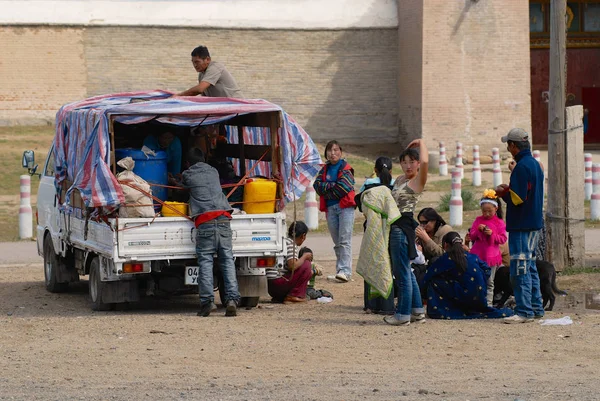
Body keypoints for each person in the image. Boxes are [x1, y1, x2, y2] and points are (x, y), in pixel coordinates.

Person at [182, 148, 240, 317]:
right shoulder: (213, 171)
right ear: (204, 159)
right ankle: (231, 300)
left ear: (187, 163)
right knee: (227, 260)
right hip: (223, 218)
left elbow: (183, 189)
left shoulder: (187, 174)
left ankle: (208, 302)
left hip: (205, 221)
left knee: (206, 262)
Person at [496, 128, 545, 324]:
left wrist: (503, 193)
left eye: (508, 145)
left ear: (514, 146)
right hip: (533, 223)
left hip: (521, 225)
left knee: (520, 267)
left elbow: (517, 198)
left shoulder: (522, 167)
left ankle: (524, 311)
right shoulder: (533, 164)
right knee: (530, 265)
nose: (508, 148)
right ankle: (536, 307)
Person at [383, 139, 428, 326]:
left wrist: (421, 143)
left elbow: (426, 162)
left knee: (401, 273)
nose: (408, 166)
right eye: (404, 162)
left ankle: (402, 314)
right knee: (406, 271)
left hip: (403, 227)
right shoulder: (400, 180)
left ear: (417, 164)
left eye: (412, 162)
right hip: (395, 225)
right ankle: (417, 311)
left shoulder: (417, 181)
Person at [423, 232, 514, 320]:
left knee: (433, 281)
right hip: (478, 297)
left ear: (446, 245)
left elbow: (428, 277)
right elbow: (487, 270)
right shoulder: (472, 256)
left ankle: (441, 308)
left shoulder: (445, 259)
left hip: (462, 296)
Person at [355, 157, 399, 315]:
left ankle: (371, 305)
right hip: (391, 228)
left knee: (372, 261)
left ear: (375, 169)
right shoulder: (396, 184)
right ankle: (387, 304)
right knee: (388, 265)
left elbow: (360, 204)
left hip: (372, 229)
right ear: (392, 170)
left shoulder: (368, 184)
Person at [313, 140, 356, 283]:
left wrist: (327, 191)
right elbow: (317, 186)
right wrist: (332, 187)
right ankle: (340, 271)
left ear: (340, 152)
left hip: (345, 208)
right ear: (326, 154)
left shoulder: (346, 168)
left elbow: (344, 187)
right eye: (330, 150)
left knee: (344, 240)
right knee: (337, 241)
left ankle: (346, 271)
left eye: (336, 150)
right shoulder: (324, 170)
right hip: (331, 209)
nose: (333, 153)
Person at [469, 189, 507, 306]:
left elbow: (503, 239)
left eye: (489, 211)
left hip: (491, 256)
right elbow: (472, 235)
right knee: (476, 279)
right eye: (484, 211)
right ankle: (476, 302)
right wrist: (478, 231)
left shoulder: (499, 222)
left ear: (496, 209)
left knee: (489, 282)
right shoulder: (478, 220)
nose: (487, 214)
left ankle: (488, 304)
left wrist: (492, 235)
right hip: (477, 254)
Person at [268, 221, 313, 303]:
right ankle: (294, 295)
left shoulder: (283, 241)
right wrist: (304, 256)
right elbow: (292, 266)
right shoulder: (291, 244)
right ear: (303, 236)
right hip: (278, 283)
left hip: (271, 287)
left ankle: (281, 297)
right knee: (306, 265)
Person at [177, 45, 243, 98]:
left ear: (208, 59)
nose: (195, 65)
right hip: (222, 108)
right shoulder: (201, 74)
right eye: (193, 62)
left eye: (197, 62)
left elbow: (200, 89)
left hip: (238, 107)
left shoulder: (215, 68)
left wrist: (178, 96)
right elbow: (205, 98)